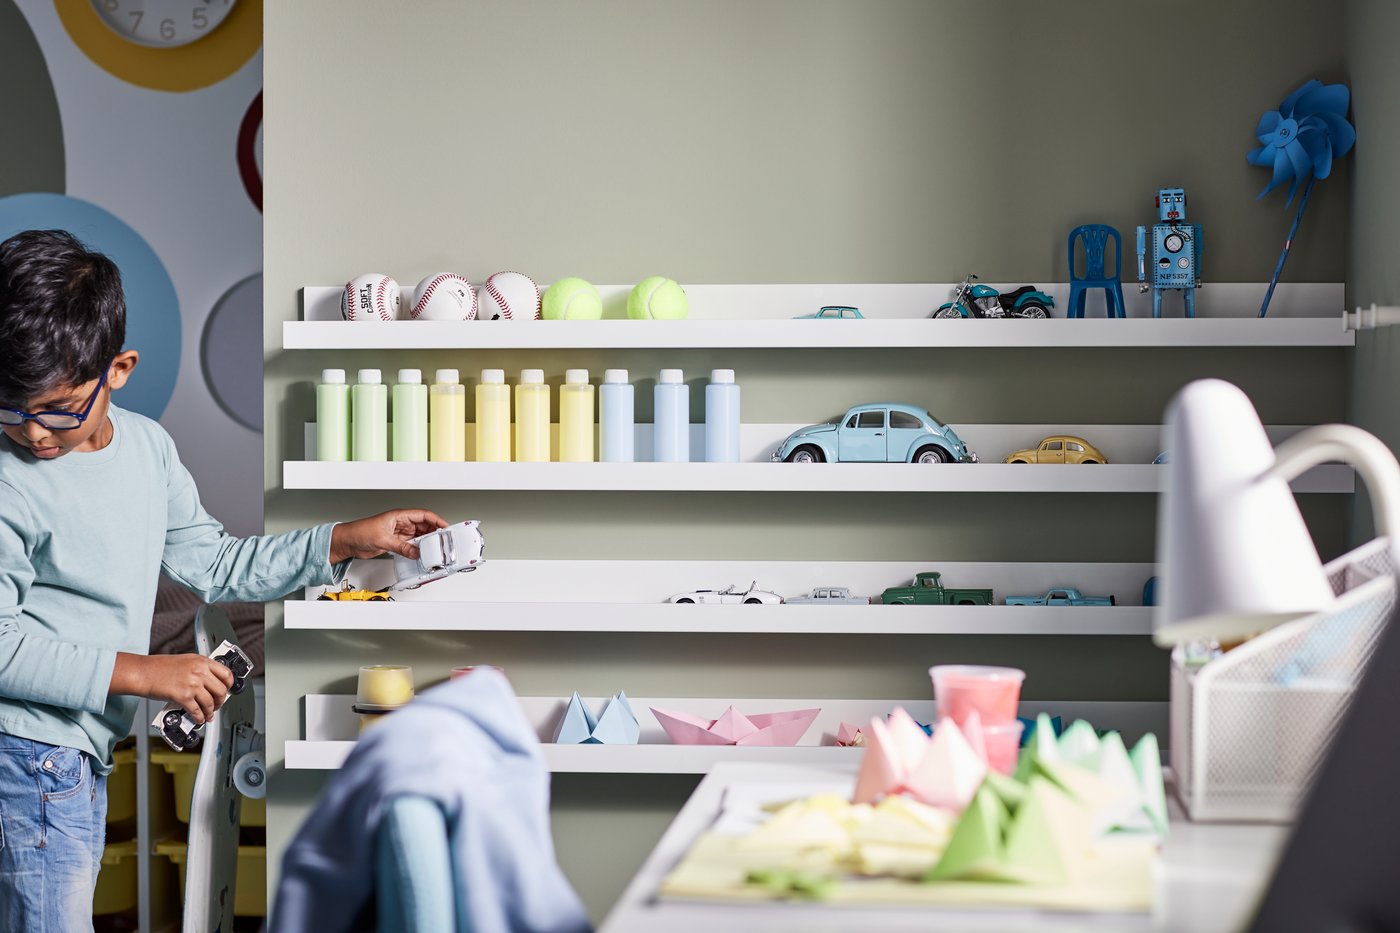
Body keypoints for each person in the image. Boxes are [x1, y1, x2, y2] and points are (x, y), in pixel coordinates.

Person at [0, 229, 445, 931]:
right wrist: (148, 672)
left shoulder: (148, 449)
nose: (32, 433)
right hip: (23, 753)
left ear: (119, 369)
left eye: (57, 408)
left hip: (76, 752)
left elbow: (216, 562)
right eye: (11, 408)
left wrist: (345, 538)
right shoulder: (7, 477)